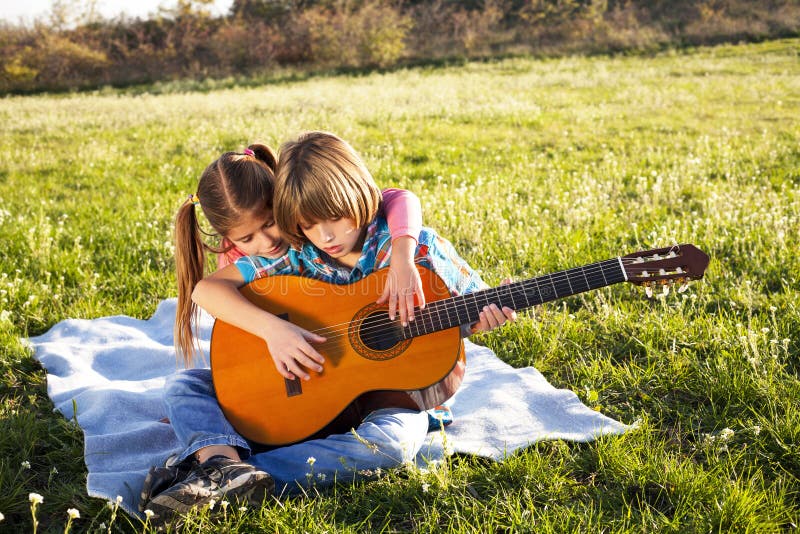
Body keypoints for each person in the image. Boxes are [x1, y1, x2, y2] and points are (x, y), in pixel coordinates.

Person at [142, 142, 428, 523]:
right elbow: (206, 291)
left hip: (375, 391)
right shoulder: (257, 262)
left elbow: (395, 197)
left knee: (392, 446)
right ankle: (222, 466)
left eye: (270, 222)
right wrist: (274, 331)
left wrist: (403, 257)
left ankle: (227, 474)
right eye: (247, 239)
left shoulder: (320, 238)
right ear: (229, 241)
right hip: (289, 390)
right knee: (184, 387)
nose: (266, 242)